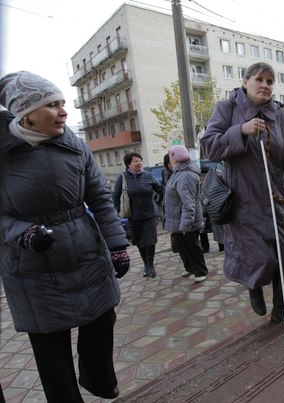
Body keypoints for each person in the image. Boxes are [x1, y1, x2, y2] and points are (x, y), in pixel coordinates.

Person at [0, 71, 130, 402]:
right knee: (52, 352)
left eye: (62, 103)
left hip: (85, 254)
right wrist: (23, 233)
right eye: (52, 105)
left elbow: (99, 198)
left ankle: (98, 379)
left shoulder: (74, 145)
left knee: (103, 318)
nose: (63, 112)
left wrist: (117, 245)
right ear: (25, 113)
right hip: (32, 269)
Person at [201, 62, 284, 323]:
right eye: (259, 79)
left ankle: (280, 306)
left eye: (270, 81)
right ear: (245, 82)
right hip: (243, 198)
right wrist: (240, 131)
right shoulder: (227, 108)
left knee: (283, 253)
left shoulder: (279, 113)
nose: (265, 85)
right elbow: (209, 147)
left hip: (276, 197)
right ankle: (253, 287)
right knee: (257, 255)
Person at [113, 152, 164, 278]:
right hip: (133, 216)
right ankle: (145, 264)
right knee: (140, 241)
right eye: (136, 161)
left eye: (140, 160)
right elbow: (115, 196)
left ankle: (150, 265)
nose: (139, 163)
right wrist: (117, 211)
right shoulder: (123, 177)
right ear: (128, 164)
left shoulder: (148, 175)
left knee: (150, 241)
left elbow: (161, 189)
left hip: (150, 214)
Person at [163, 145, 208, 283]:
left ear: (175, 159)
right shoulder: (178, 173)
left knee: (192, 246)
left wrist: (186, 224)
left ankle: (200, 270)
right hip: (177, 219)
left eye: (170, 157)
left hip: (186, 220)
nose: (169, 160)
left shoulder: (185, 175)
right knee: (183, 247)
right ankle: (189, 267)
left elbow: (188, 204)